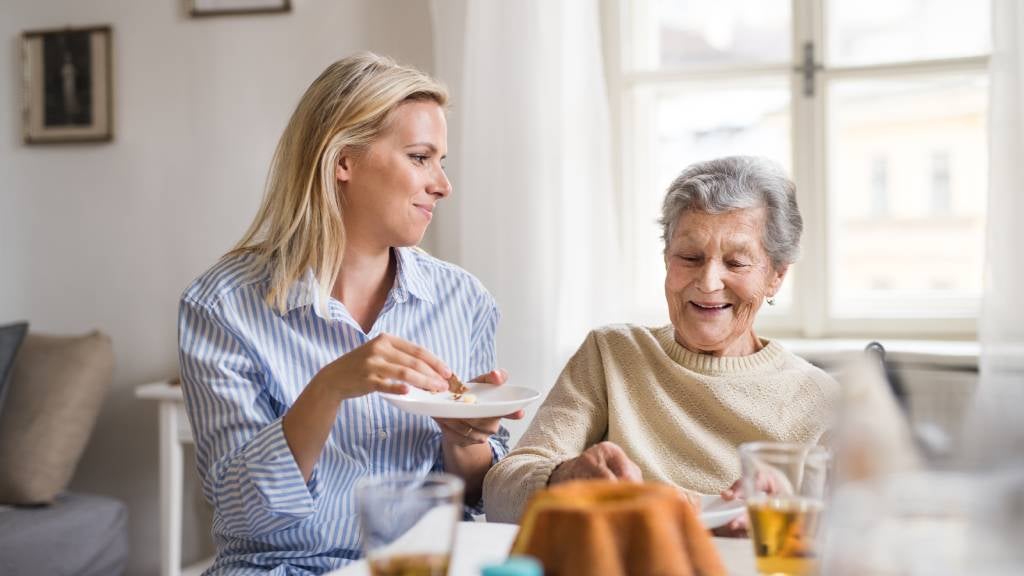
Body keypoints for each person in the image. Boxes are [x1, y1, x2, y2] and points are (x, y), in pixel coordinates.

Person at [178, 53, 521, 575]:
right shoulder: (221, 307)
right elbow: (241, 513)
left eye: (441, 162)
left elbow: (479, 498)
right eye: (419, 157)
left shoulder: (464, 301)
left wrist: (465, 440)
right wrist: (328, 387)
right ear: (343, 160)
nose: (442, 185)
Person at [483, 156, 839, 529]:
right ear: (667, 258)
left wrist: (788, 524)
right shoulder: (612, 354)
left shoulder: (820, 400)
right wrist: (564, 479)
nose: (708, 282)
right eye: (690, 257)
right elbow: (499, 494)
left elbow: (852, 545)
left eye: (735, 263)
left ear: (776, 276)